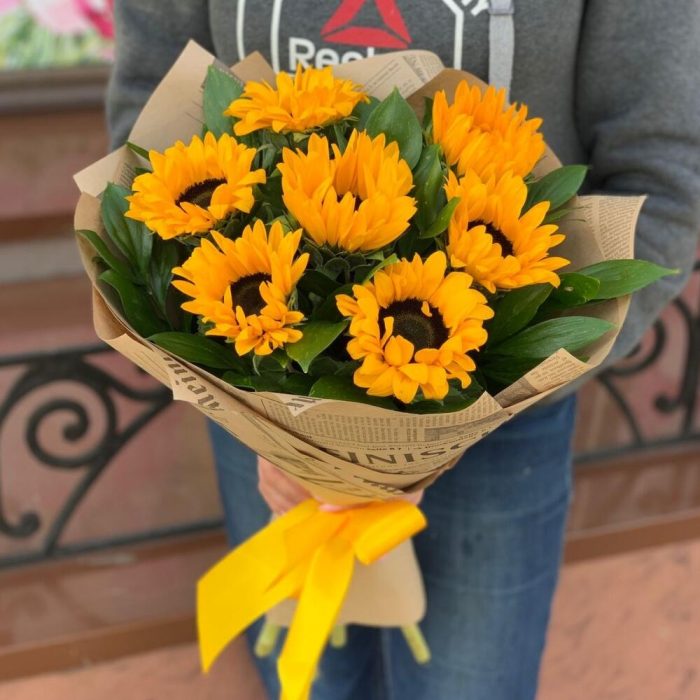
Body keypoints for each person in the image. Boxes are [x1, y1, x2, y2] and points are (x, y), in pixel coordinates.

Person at [106, 2, 700, 698]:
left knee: (472, 685)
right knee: (308, 681)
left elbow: (663, 181)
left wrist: (496, 393)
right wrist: (262, 405)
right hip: (260, 410)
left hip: (502, 425)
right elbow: (150, 125)